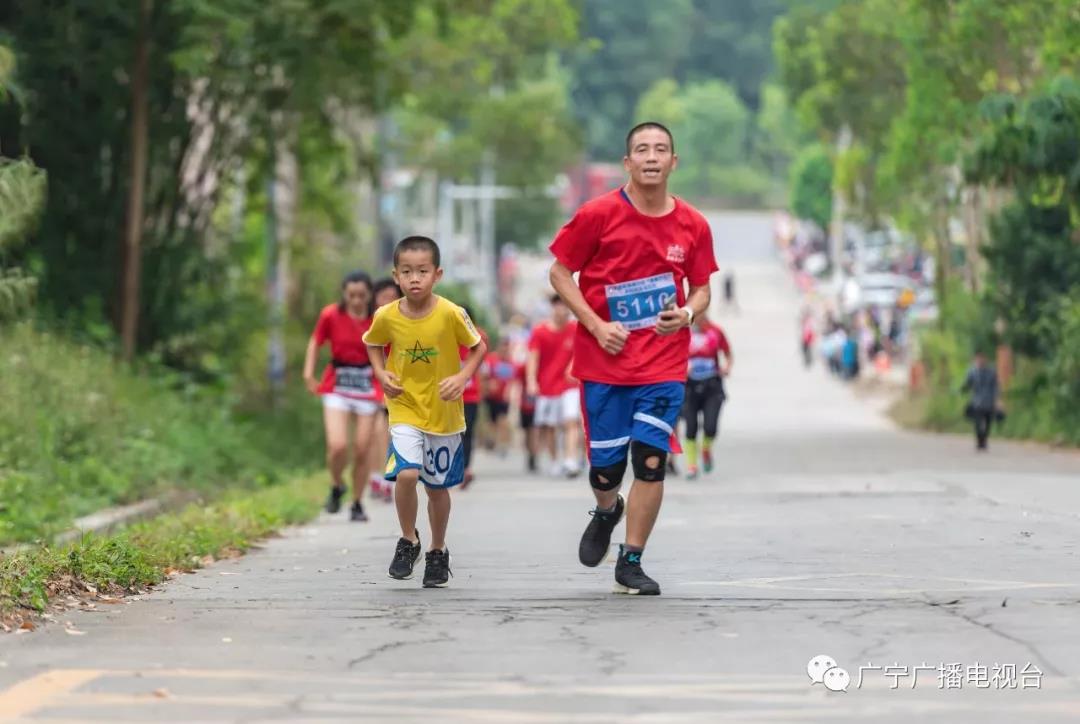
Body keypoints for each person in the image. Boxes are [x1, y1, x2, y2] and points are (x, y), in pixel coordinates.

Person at [548, 122, 718, 596]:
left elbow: (702, 288)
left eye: (660, 149)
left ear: (673, 162)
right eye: (641, 149)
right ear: (627, 162)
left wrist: (685, 313)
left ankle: (632, 559)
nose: (651, 157)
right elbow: (561, 273)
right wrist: (597, 326)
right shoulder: (597, 214)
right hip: (604, 362)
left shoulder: (693, 225)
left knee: (650, 461)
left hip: (663, 362)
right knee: (605, 470)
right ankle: (607, 509)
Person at [364, 236, 487, 587]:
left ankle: (437, 549)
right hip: (403, 406)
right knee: (405, 475)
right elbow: (373, 343)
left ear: (437, 274)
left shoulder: (451, 313)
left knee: (436, 489)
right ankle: (408, 540)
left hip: (445, 413)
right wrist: (381, 372)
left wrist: (463, 377)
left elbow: (478, 347)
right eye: (406, 272)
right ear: (395, 276)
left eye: (422, 271)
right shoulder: (386, 316)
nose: (414, 278)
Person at [303, 271, 379, 522]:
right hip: (338, 384)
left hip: (368, 386)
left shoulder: (379, 319)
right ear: (344, 295)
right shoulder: (331, 315)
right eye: (351, 296)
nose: (356, 300)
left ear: (369, 295)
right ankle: (337, 485)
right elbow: (316, 341)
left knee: (361, 449)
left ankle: (357, 502)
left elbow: (390, 353)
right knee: (337, 446)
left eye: (361, 295)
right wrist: (308, 372)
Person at [526, 295, 582, 477]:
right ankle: (555, 460)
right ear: (552, 307)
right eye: (559, 305)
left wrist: (573, 365)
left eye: (566, 305)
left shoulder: (575, 329)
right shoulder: (540, 331)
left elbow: (583, 351)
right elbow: (533, 358)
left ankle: (570, 460)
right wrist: (531, 381)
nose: (563, 309)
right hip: (547, 386)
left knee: (571, 420)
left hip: (570, 385)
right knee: (550, 426)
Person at [680, 313, 732, 480]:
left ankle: (706, 448)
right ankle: (692, 465)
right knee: (691, 427)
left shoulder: (715, 331)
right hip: (690, 386)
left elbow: (728, 352)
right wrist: (682, 369)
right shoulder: (682, 331)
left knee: (710, 427)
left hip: (712, 385)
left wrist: (726, 367)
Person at [368, 277, 403, 503]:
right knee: (371, 435)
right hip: (365, 384)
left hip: (388, 384)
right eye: (383, 297)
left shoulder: (400, 322)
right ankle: (374, 477)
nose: (387, 301)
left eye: (392, 297)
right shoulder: (368, 322)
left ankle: (385, 477)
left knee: (384, 432)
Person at [459, 307, 490, 489]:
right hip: (449, 394)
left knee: (467, 432)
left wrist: (484, 390)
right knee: (454, 433)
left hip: (471, 395)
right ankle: (454, 468)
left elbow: (484, 365)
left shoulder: (479, 336)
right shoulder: (446, 333)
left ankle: (465, 469)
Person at [483, 337, 516, 456]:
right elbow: (484, 375)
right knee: (492, 422)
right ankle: (491, 441)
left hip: (504, 397)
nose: (505, 350)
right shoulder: (491, 359)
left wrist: (511, 392)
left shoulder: (511, 362)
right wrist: (488, 385)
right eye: (503, 347)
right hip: (492, 396)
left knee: (503, 420)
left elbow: (512, 380)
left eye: (506, 347)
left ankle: (502, 444)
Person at [962, 352, 1000, 451]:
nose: (980, 361)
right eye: (978, 359)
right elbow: (968, 384)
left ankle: (984, 439)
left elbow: (995, 387)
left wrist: (997, 400)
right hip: (977, 402)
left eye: (982, 358)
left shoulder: (992, 372)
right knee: (978, 423)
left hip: (989, 401)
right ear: (976, 360)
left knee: (988, 422)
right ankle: (980, 441)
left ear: (986, 360)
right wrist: (963, 388)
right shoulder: (972, 372)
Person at [514, 356, 539, 472]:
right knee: (528, 431)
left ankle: (533, 455)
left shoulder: (542, 364)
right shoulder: (522, 367)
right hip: (525, 404)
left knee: (534, 430)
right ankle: (530, 454)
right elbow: (517, 383)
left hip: (538, 402)